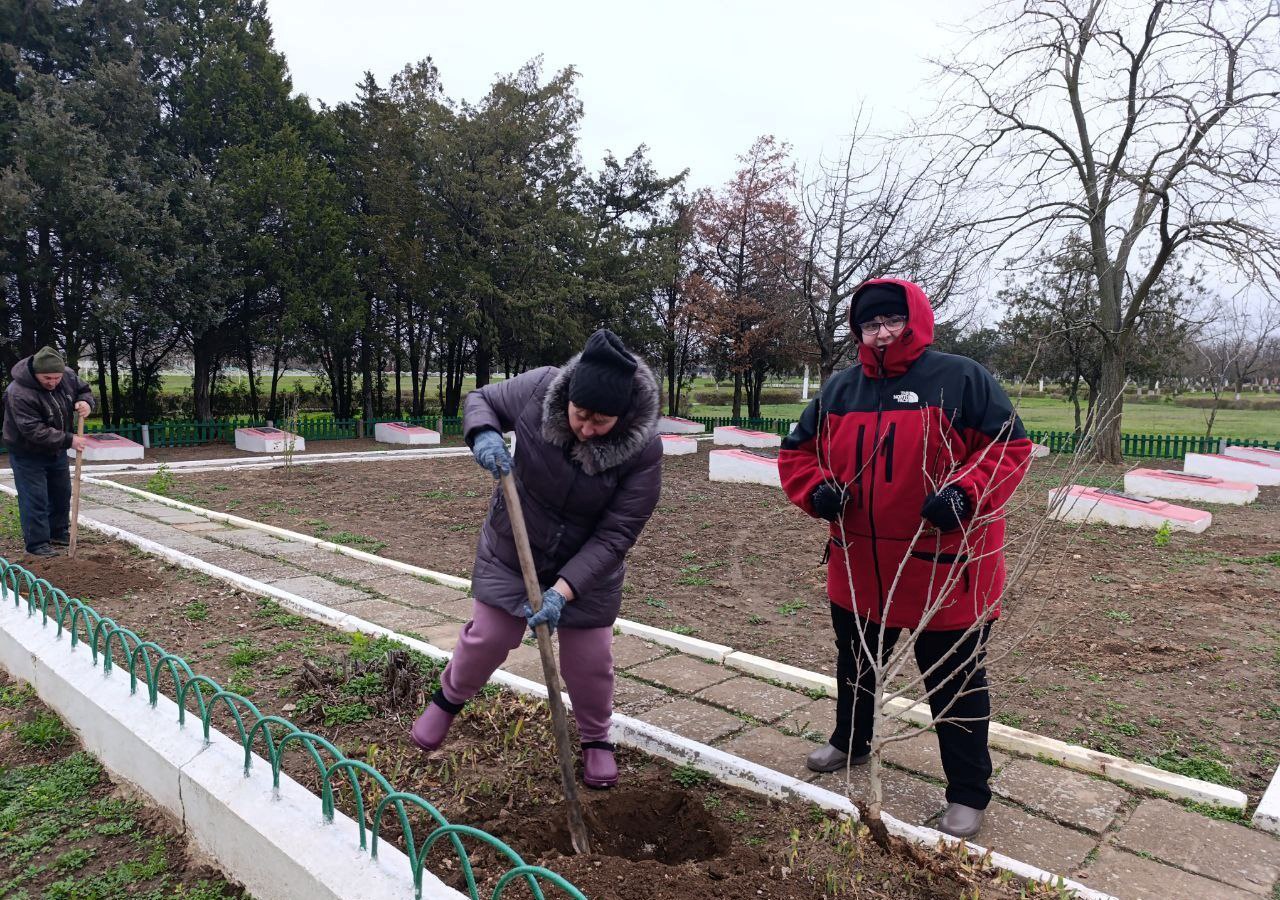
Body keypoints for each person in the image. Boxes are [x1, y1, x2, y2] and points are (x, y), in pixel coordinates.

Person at [778, 279, 1031, 839]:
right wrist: (817, 490)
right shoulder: (840, 391)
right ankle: (851, 741)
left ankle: (968, 792)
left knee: (955, 683)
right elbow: (797, 453)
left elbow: (1008, 449)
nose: (882, 332)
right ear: (859, 331)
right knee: (856, 667)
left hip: (946, 570)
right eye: (871, 324)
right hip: (859, 567)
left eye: (892, 320)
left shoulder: (961, 380)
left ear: (914, 320)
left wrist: (965, 493)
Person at [410, 329, 662, 789]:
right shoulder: (538, 388)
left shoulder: (644, 449)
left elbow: (617, 534)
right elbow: (482, 399)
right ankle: (446, 701)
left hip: (588, 566)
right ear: (566, 396)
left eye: (601, 421)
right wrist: (483, 434)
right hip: (514, 545)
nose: (586, 427)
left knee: (590, 660)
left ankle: (595, 740)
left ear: (623, 417)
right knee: (490, 635)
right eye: (580, 414)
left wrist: (564, 592)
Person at [2, 346, 95, 557]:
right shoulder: (18, 392)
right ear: (35, 374)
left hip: (56, 450)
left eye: (56, 377)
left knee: (61, 492)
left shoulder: (68, 376)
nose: (53, 382)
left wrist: (86, 403)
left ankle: (57, 532)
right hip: (27, 452)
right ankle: (37, 544)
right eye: (47, 378)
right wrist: (69, 439)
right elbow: (33, 430)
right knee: (35, 498)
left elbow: (84, 390)